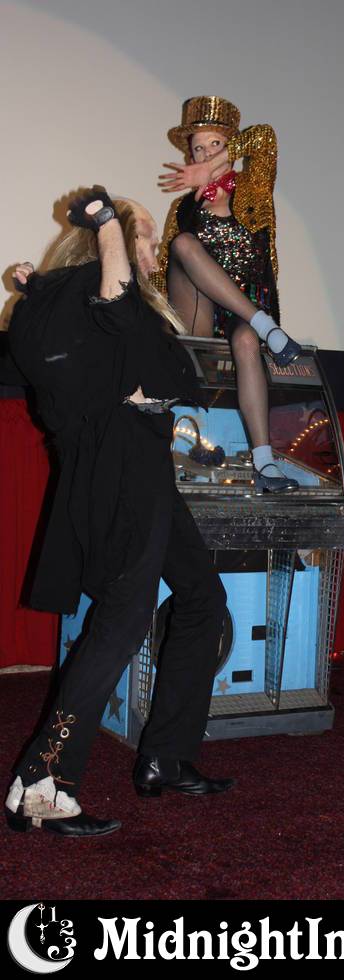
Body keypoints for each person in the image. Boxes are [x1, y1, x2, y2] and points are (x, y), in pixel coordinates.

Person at [4, 188, 234, 838]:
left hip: (140, 466)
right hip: (125, 471)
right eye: (145, 238)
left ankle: (165, 756)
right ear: (108, 244)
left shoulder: (62, 302)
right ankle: (42, 783)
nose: (153, 249)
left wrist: (173, 421)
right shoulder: (94, 295)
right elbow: (112, 304)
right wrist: (108, 224)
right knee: (122, 621)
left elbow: (130, 367)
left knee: (201, 598)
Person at [156, 96, 301, 494]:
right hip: (199, 310)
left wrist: (213, 166)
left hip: (246, 305)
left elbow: (265, 137)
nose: (204, 156)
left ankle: (265, 462)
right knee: (183, 244)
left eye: (215, 145)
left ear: (230, 148)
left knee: (247, 340)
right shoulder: (183, 207)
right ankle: (266, 327)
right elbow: (164, 269)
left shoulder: (254, 188)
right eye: (198, 149)